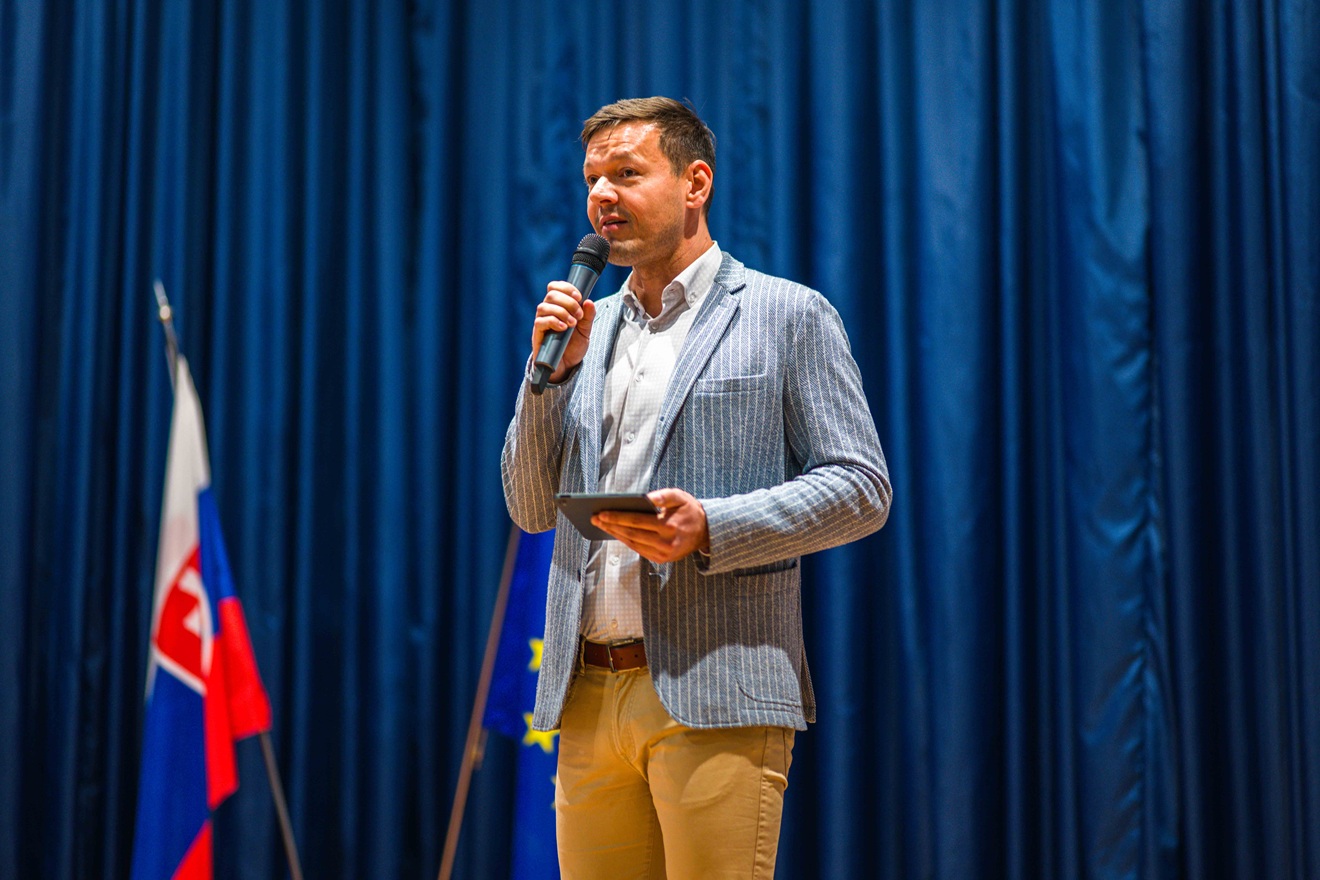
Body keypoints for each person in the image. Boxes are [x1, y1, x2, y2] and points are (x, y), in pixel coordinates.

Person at [501, 96, 891, 879]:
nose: (603, 195)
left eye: (626, 174)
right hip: (586, 694)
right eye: (592, 179)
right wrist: (551, 379)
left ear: (695, 183)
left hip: (717, 687)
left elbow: (861, 486)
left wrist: (711, 524)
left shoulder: (787, 315)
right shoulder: (585, 329)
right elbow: (531, 507)